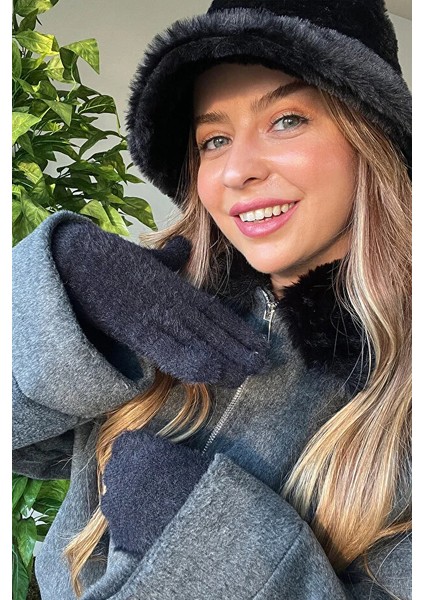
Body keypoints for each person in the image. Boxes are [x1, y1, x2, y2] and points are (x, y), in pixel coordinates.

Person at [12, 0, 412, 599]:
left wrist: (212, 541)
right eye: (215, 139)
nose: (234, 171)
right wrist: (61, 307)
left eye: (287, 120)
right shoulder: (155, 302)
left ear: (369, 136)